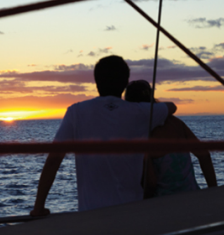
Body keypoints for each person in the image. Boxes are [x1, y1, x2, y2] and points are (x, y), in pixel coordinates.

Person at [30, 55, 177, 216]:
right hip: (132, 215)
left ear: (96, 82)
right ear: (125, 83)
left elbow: (53, 161)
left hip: (91, 217)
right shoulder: (140, 112)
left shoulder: (76, 112)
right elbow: (171, 107)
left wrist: (38, 207)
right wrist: (146, 106)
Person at [124, 80, 217, 198]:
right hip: (193, 197)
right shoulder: (176, 123)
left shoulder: (143, 134)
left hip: (163, 205)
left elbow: (151, 182)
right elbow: (204, 155)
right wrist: (214, 191)